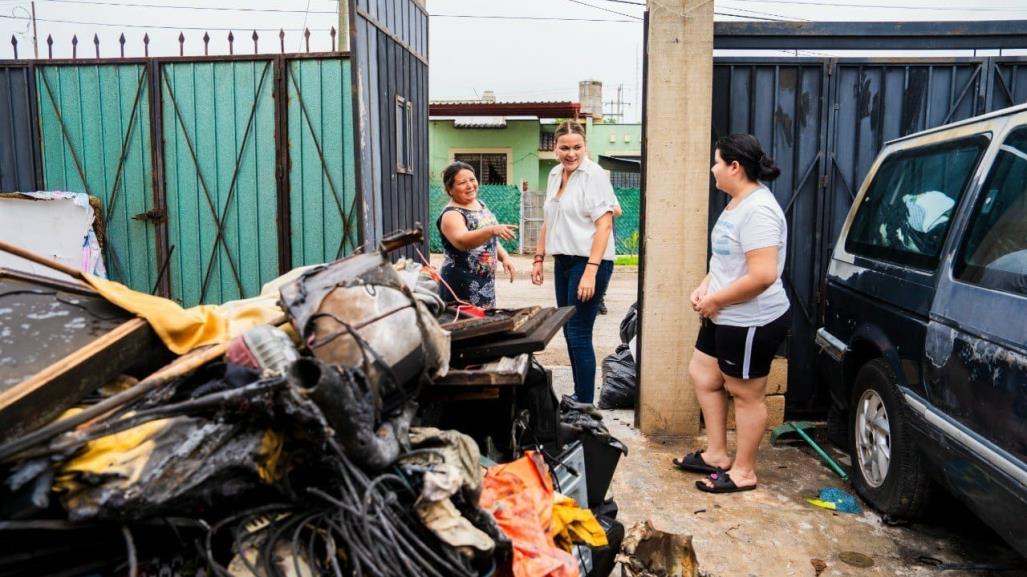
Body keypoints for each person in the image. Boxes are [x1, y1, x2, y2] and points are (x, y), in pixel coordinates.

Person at [672, 133, 791, 494]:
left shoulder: (760, 211)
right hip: (722, 311)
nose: (713, 168)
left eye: (717, 162)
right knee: (703, 374)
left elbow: (763, 274)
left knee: (745, 394)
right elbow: (727, 258)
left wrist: (717, 300)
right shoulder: (735, 203)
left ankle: (743, 472)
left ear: (734, 167)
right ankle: (717, 454)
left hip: (751, 318)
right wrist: (706, 285)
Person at [532, 120, 618, 404]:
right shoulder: (555, 174)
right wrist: (538, 257)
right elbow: (549, 220)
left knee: (579, 332)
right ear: (555, 148)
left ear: (586, 146)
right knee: (569, 330)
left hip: (589, 261)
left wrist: (591, 271)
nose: (571, 154)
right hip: (564, 261)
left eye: (577, 147)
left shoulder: (594, 175)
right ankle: (579, 397)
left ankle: (584, 402)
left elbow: (604, 225)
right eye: (564, 148)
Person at [436, 161, 516, 309]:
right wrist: (492, 230)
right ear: (450, 189)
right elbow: (462, 241)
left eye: (472, 179)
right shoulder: (451, 214)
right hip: (461, 283)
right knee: (464, 326)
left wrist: (505, 257)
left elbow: (488, 239)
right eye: (462, 182)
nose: (470, 185)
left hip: (484, 282)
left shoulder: (480, 204)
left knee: (484, 326)